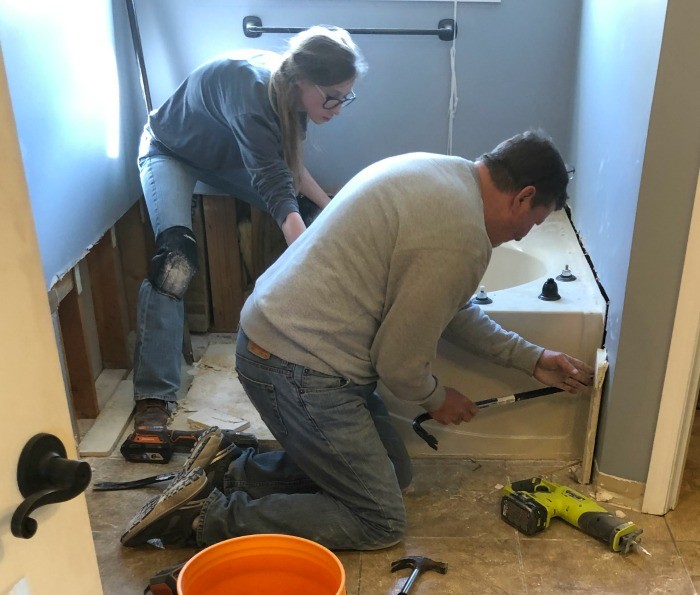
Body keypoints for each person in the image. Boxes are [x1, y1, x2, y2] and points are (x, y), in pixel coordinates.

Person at [121, 130, 595, 550]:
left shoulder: (441, 173)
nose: (518, 239)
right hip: (297, 366)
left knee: (395, 471)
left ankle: (228, 466)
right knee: (377, 519)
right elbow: (398, 362)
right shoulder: (462, 236)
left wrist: (532, 359)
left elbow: (450, 309)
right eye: (530, 224)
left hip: (284, 342)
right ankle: (204, 518)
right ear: (523, 196)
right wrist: (436, 399)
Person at [131, 27, 367, 435]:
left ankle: (326, 355)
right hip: (171, 151)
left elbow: (290, 170)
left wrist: (331, 214)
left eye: (345, 96)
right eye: (332, 97)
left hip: (227, 157)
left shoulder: (292, 98)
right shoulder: (251, 91)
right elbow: (275, 185)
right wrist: (313, 259)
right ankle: (154, 394)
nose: (338, 108)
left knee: (313, 214)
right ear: (302, 82)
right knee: (175, 263)